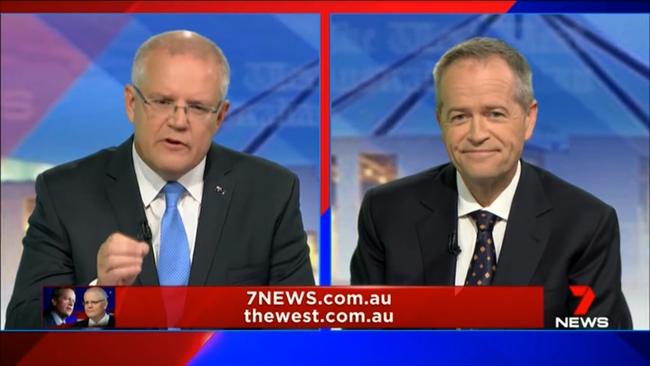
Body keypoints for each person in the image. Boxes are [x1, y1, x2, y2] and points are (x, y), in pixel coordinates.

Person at [6, 30, 314, 329]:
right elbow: (23, 323)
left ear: (220, 116)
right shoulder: (65, 194)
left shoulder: (270, 193)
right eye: (163, 102)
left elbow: (300, 329)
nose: (178, 122)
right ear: (131, 103)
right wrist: (100, 295)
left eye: (197, 107)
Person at [350, 37, 632, 328]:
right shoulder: (386, 211)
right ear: (440, 122)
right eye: (459, 116)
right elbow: (363, 342)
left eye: (494, 114)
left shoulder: (585, 224)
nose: (477, 133)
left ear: (528, 118)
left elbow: (604, 350)